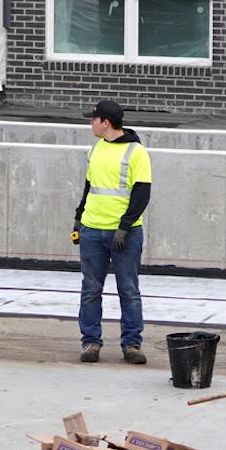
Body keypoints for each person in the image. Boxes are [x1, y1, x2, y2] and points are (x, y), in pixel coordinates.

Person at [73, 99, 151, 364]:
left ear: (105, 122)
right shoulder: (96, 148)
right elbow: (90, 186)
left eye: (93, 119)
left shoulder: (136, 152)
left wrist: (124, 227)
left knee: (128, 289)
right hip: (92, 229)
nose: (90, 123)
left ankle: (132, 345)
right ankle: (90, 343)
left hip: (124, 235)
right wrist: (79, 218)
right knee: (91, 289)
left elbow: (142, 194)